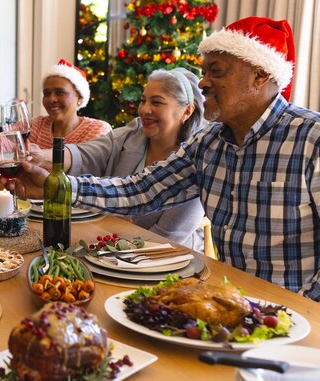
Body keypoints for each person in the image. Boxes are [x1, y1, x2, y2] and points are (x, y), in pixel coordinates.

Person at [5, 17, 320, 301]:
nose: (203, 82)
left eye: (217, 72)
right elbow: (138, 191)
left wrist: (302, 308)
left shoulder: (312, 138)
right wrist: (55, 185)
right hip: (231, 302)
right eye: (204, 71)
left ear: (261, 76)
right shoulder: (208, 144)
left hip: (301, 317)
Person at [29, 68, 206, 248]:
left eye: (157, 102)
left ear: (186, 111)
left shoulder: (197, 160)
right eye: (143, 100)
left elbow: (165, 240)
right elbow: (86, 154)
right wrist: (39, 156)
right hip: (107, 246)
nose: (144, 109)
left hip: (164, 262)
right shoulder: (132, 134)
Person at [0, 59, 111, 156]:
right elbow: (4, 141)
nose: (51, 99)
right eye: (47, 93)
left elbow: (85, 165)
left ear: (79, 97)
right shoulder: (37, 125)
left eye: (60, 92)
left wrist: (42, 157)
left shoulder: (98, 129)